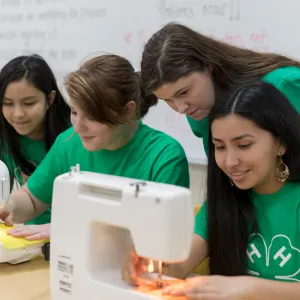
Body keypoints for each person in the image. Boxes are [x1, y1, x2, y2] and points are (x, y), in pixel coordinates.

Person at [122, 81, 300, 299]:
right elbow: (177, 265)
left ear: (280, 144)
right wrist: (144, 265)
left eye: (244, 145)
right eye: (220, 147)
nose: (230, 161)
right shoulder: (223, 204)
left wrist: (252, 289)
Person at [1, 54, 190, 241]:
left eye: (91, 116)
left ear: (128, 110)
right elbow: (32, 200)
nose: (77, 126)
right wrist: (9, 206)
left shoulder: (164, 156)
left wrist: (72, 228)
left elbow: (159, 232)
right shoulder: (68, 142)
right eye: (74, 112)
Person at [140, 22, 300, 156]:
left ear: (208, 66)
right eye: (167, 100)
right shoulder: (199, 112)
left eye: (184, 92)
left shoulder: (283, 86)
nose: (181, 109)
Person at [0, 54, 70, 229]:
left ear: (50, 99)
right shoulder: (5, 135)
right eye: (7, 103)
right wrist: (8, 209)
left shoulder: (75, 136)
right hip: (32, 241)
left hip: (73, 236)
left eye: (29, 103)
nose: (18, 114)